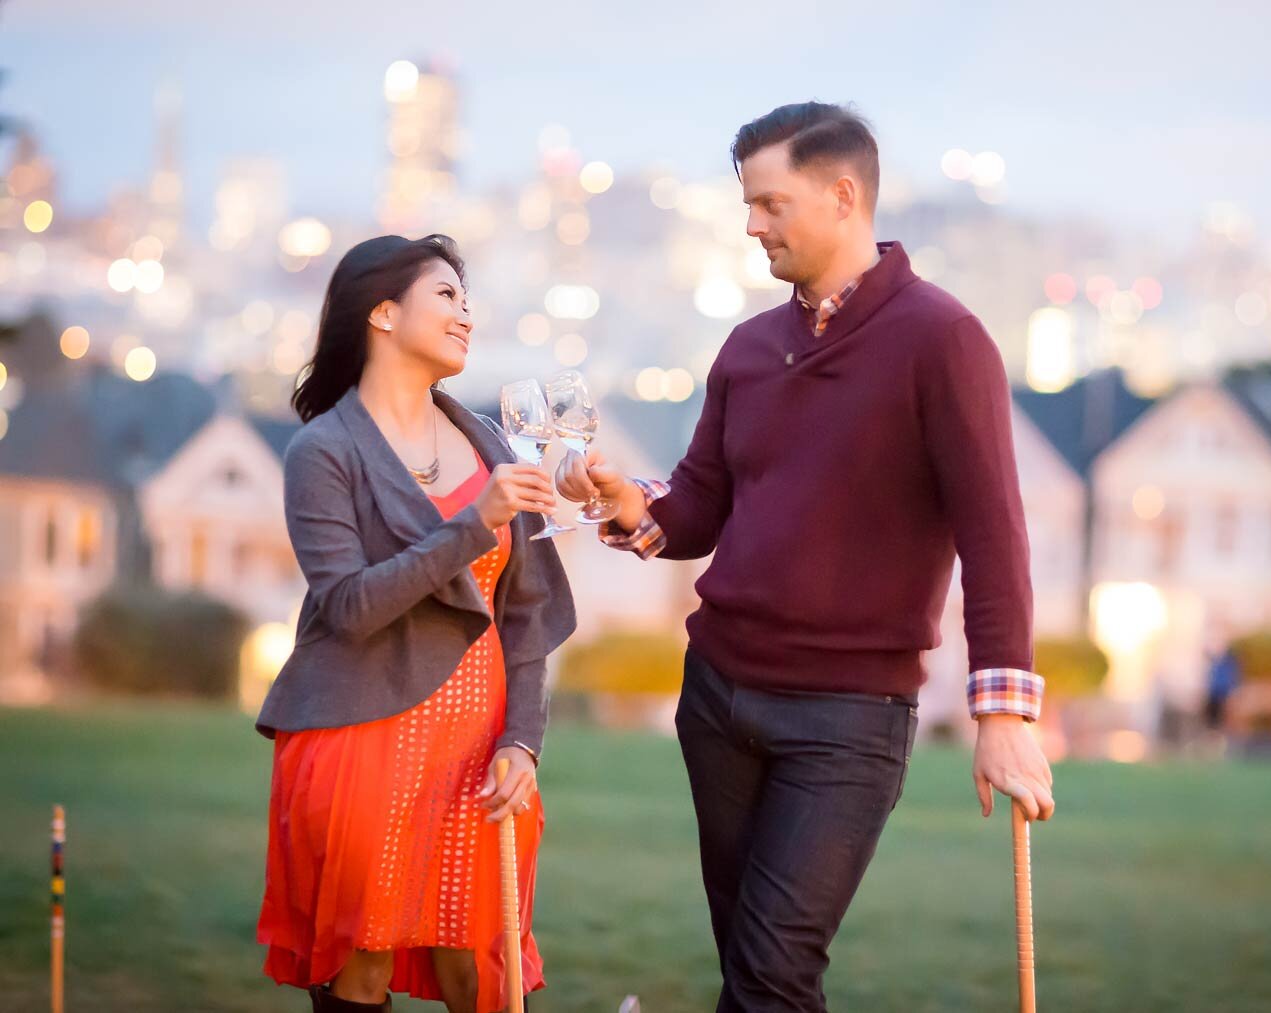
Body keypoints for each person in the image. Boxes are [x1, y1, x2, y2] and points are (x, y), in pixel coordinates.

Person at [557, 102, 1055, 1012]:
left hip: (847, 720)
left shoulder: (944, 341)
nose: (751, 225)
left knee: (773, 969)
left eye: (770, 203)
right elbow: (702, 502)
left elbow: (995, 533)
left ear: (842, 194)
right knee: (757, 973)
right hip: (716, 699)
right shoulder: (748, 348)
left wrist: (1005, 710)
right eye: (747, 204)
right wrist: (638, 505)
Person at [255, 234, 576, 1013]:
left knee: (478, 970)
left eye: (469, 301)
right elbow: (351, 606)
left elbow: (527, 613)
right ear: (384, 313)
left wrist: (522, 738)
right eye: (446, 296)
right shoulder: (322, 451)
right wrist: (475, 520)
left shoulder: (487, 443)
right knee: (360, 967)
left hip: (480, 747)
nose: (466, 314)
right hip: (361, 736)